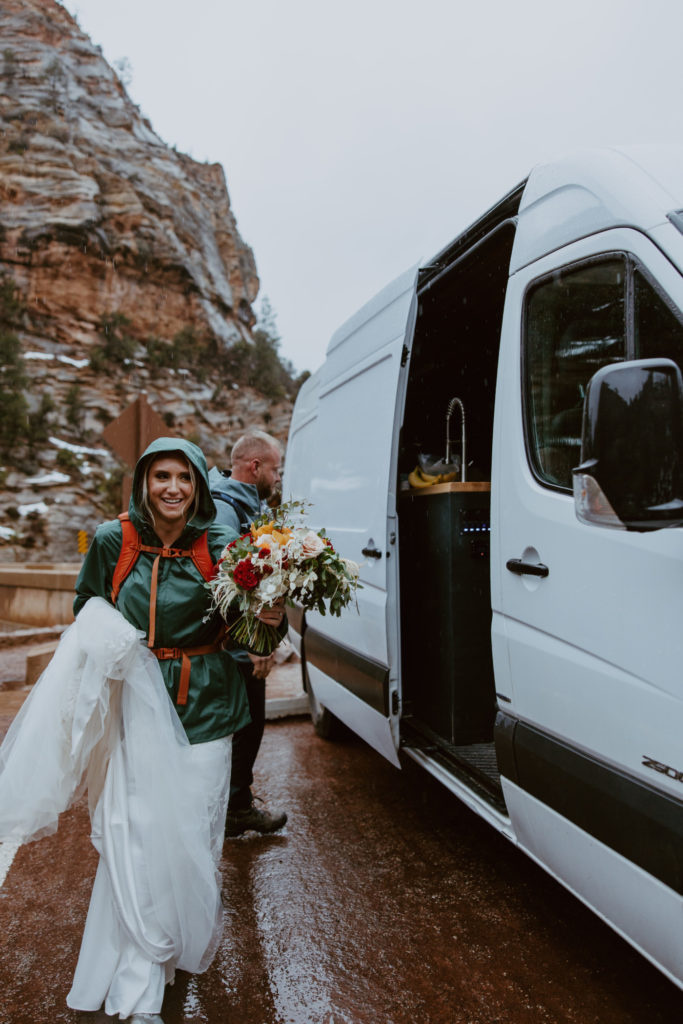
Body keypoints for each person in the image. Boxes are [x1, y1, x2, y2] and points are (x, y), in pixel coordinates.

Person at [0, 437, 285, 1024]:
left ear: (199, 485)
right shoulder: (113, 541)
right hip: (129, 707)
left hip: (207, 709)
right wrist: (121, 645)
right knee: (133, 833)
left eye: (184, 476)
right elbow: (86, 605)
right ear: (143, 483)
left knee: (191, 833)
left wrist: (271, 620)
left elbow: (249, 641)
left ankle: (174, 939)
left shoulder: (225, 546)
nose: (173, 487)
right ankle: (142, 968)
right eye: (161, 476)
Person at [208, 430, 288, 837]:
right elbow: (227, 580)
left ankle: (235, 803)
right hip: (236, 643)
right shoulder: (225, 510)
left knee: (246, 723)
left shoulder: (245, 504)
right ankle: (234, 810)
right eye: (275, 469)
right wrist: (254, 641)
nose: (278, 478)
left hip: (239, 640)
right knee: (245, 723)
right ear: (254, 467)